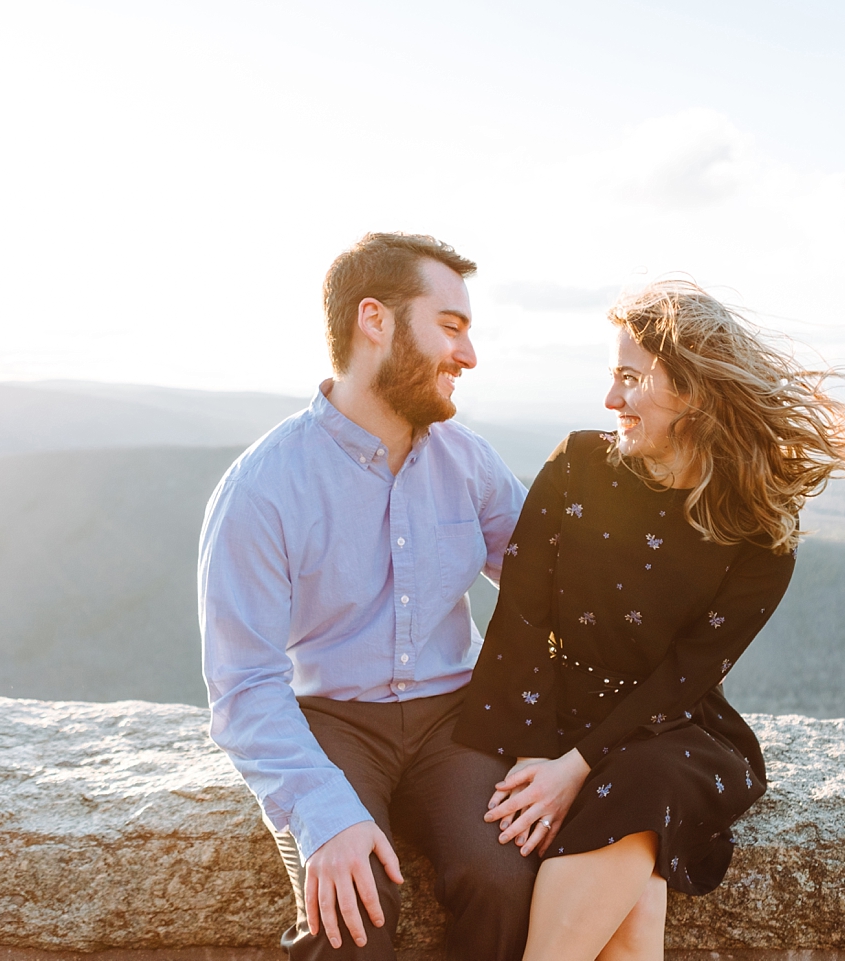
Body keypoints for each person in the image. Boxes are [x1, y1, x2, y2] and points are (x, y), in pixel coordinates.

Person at [454, 280, 845, 960]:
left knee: (645, 782)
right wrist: (535, 755)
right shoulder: (576, 466)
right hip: (549, 715)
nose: (610, 401)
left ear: (690, 391)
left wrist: (577, 765)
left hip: (666, 726)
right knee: (638, 893)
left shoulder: (762, 533)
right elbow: (519, 618)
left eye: (631, 379)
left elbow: (686, 676)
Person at [199, 232, 537, 960]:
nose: (469, 356)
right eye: (451, 328)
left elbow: (556, 588)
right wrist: (322, 812)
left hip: (456, 722)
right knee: (351, 907)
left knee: (505, 881)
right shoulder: (261, 488)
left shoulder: (468, 461)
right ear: (374, 321)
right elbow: (243, 686)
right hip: (330, 723)